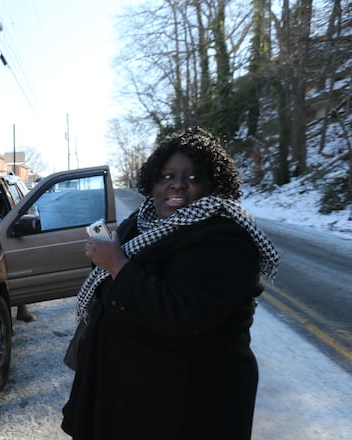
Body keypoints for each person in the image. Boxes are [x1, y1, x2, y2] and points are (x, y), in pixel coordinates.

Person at [61, 127, 280, 439]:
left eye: (192, 177)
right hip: (126, 392)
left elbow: (182, 312)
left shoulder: (226, 238)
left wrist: (116, 264)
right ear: (153, 181)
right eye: (167, 176)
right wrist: (103, 257)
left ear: (212, 185)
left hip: (186, 406)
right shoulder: (142, 220)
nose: (177, 184)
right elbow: (110, 278)